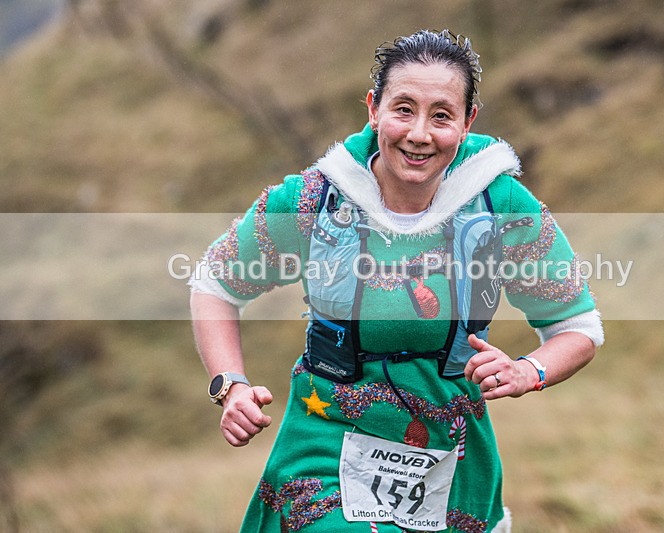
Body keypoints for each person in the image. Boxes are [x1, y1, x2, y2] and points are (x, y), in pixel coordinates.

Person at [190, 29, 603, 533]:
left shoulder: (501, 207)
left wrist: (528, 371)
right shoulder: (315, 201)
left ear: (468, 121)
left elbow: (577, 327)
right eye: (403, 109)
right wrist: (229, 386)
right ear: (373, 109)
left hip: (449, 462)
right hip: (324, 446)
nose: (420, 134)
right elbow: (215, 282)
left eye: (442, 115)